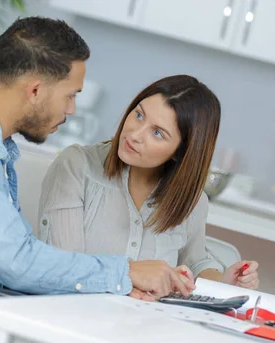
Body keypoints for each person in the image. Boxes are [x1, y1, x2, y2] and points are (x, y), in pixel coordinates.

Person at [0, 17, 194, 329]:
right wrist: (126, 272)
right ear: (36, 90)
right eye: (71, 95)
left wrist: (119, 282)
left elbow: (15, 254)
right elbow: (16, 263)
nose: (71, 110)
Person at [38, 75, 259, 301]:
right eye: (139, 115)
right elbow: (63, 266)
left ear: (180, 153)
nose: (134, 135)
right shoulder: (76, 166)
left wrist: (223, 286)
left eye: (157, 133)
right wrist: (129, 280)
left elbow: (195, 262)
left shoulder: (191, 202)